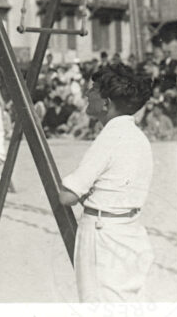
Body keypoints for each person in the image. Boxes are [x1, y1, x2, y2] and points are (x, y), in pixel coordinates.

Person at [58, 63, 154, 302]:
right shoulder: (138, 137)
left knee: (98, 303)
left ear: (106, 103)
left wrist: (81, 188)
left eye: (93, 89)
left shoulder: (109, 137)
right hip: (130, 231)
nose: (87, 93)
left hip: (103, 236)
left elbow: (67, 196)